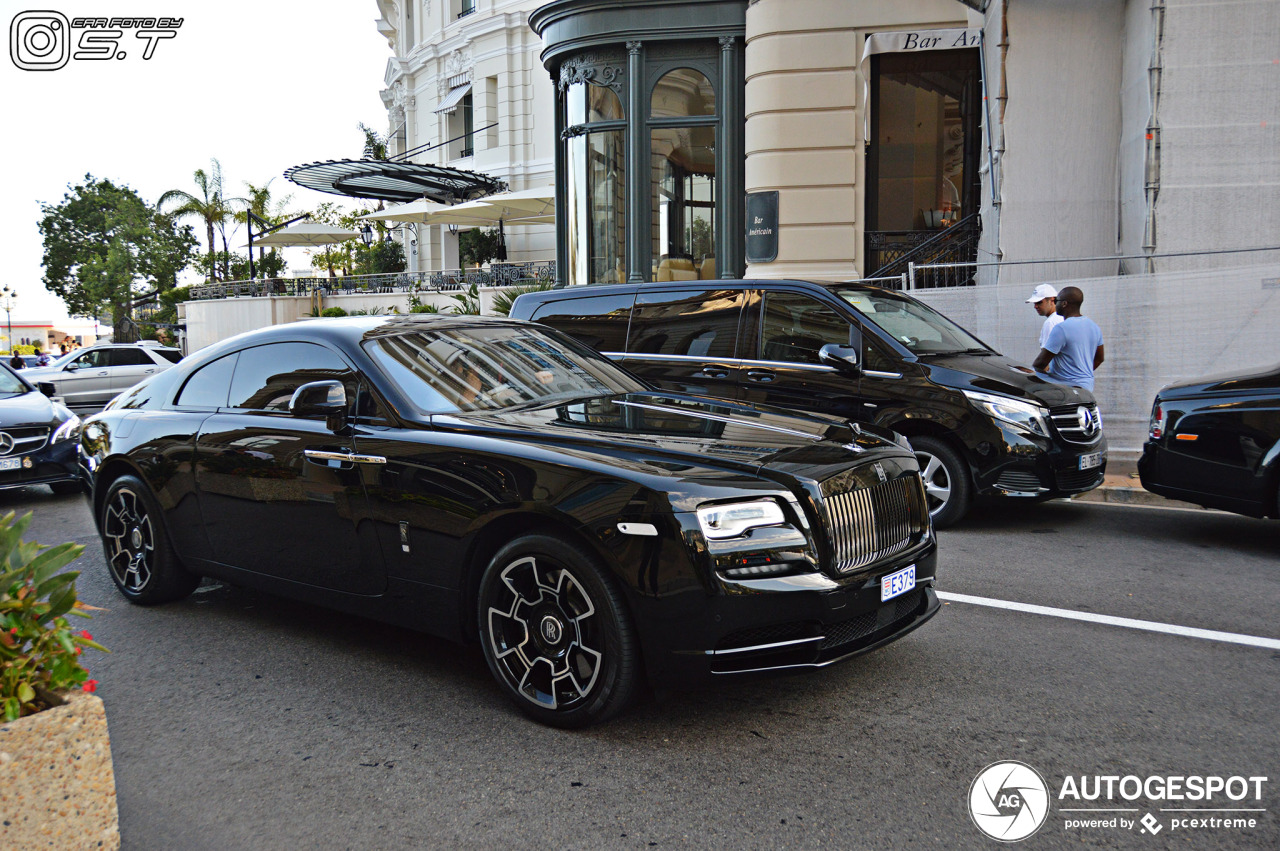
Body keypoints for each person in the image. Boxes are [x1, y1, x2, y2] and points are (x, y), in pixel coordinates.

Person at [1032, 286, 1104, 390]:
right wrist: (1082, 375)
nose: (1055, 304)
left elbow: (1040, 363)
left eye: (1057, 301)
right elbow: (1099, 358)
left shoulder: (1061, 328)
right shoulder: (1094, 327)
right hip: (1087, 386)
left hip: (1067, 387)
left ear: (1064, 303)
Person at [1025, 283, 1063, 351]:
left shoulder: (1051, 322)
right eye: (1034, 303)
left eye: (1039, 302)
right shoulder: (1064, 317)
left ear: (1052, 300)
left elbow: (1046, 355)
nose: (1035, 306)